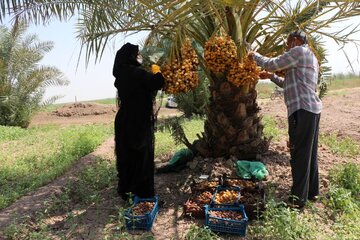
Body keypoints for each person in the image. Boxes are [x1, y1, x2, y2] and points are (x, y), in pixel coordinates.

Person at [248, 30, 322, 208]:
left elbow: (272, 63)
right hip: (311, 110)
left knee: (299, 154)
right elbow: (287, 83)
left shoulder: (299, 51)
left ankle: (297, 200)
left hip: (301, 110)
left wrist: (253, 55)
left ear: (295, 40)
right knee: (309, 153)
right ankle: (312, 193)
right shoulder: (310, 57)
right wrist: (271, 77)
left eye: (288, 44)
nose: (287, 48)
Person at [113, 42, 165, 201]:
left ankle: (128, 191)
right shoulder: (137, 73)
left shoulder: (120, 75)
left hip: (124, 120)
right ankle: (143, 195)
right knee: (142, 157)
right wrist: (157, 71)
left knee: (127, 156)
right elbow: (157, 82)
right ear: (131, 57)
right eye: (137, 54)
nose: (139, 57)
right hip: (138, 121)